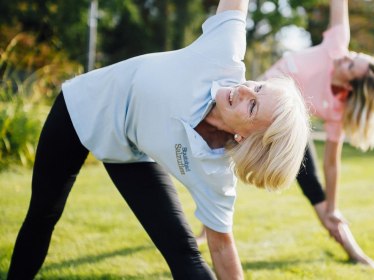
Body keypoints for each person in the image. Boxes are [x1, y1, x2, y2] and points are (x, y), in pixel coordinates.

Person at [6, 0, 310, 279]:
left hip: (128, 153)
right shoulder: (223, 55)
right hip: (81, 107)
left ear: (245, 138)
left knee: (184, 254)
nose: (244, 89)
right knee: (44, 214)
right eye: (258, 87)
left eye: (253, 105)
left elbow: (220, 247)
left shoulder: (215, 173)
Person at [196, 0, 374, 270]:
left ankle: (355, 251)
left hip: (283, 128)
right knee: (220, 166)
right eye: (353, 54)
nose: (344, 56)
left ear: (349, 86)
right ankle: (205, 233)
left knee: (315, 191)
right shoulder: (337, 45)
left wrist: (334, 206)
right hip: (252, 106)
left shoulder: (337, 108)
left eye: (350, 65)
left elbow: (331, 163)